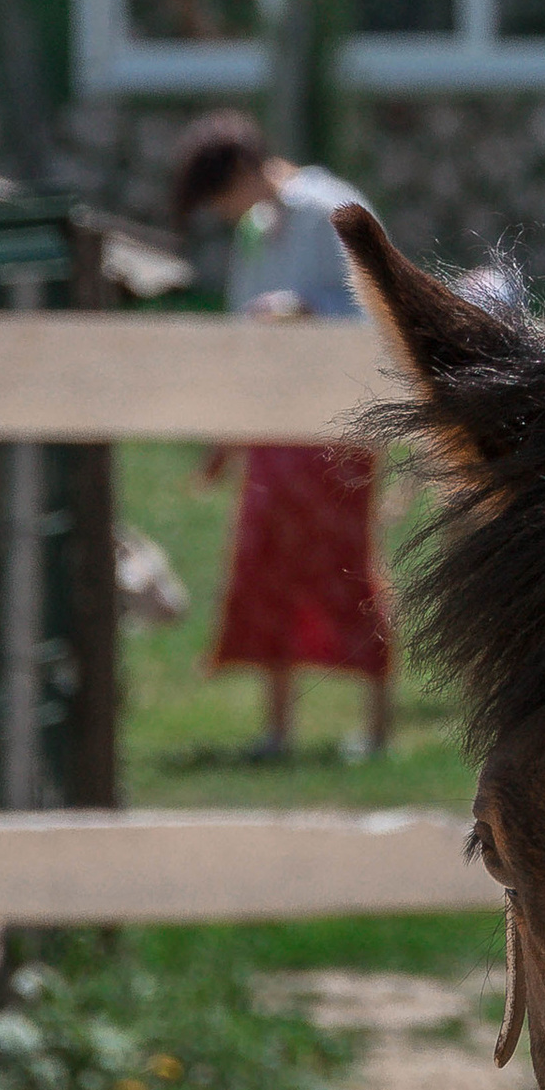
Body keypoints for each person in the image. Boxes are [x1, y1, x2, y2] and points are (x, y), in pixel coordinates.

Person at [168, 111, 393, 764]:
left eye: (219, 195)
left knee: (344, 565)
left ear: (241, 173)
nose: (221, 210)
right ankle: (277, 731)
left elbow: (382, 307)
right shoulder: (256, 232)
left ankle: (376, 732)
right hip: (275, 424)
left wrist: (303, 312)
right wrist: (229, 437)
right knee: (268, 568)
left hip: (339, 422)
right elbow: (249, 339)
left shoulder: (332, 211)